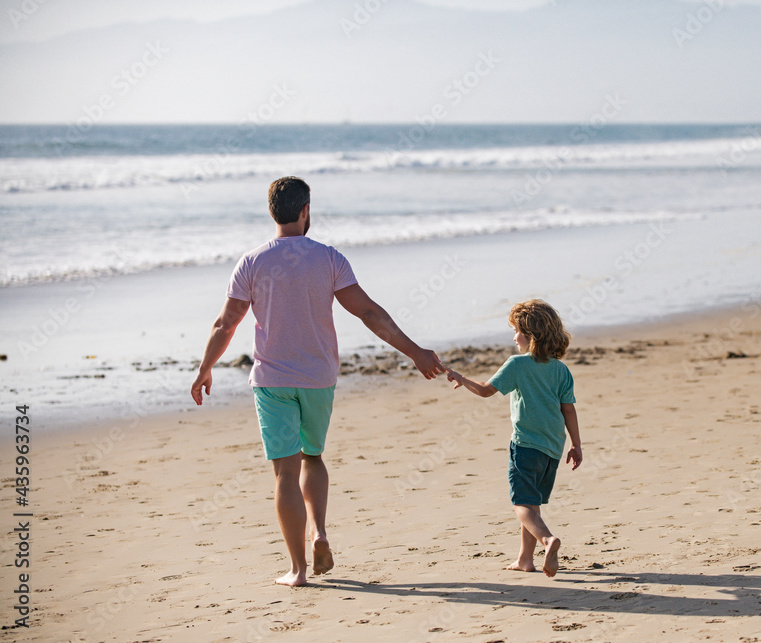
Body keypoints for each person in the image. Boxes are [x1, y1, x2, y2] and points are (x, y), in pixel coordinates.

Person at [190, 176, 445, 587]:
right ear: (306, 210)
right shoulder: (328, 259)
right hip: (318, 379)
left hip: (272, 380)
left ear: (272, 212)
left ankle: (297, 570)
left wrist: (206, 367)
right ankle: (320, 532)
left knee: (284, 475)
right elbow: (369, 313)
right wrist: (415, 352)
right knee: (313, 457)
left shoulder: (252, 262)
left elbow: (226, 323)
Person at [446, 299, 582, 577]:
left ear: (532, 336)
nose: (513, 337)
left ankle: (548, 540)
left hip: (525, 445)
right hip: (553, 448)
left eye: (516, 331)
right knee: (532, 503)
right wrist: (576, 444)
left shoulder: (518, 365)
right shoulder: (561, 370)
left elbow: (486, 391)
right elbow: (568, 409)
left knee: (521, 503)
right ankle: (524, 560)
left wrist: (462, 378)